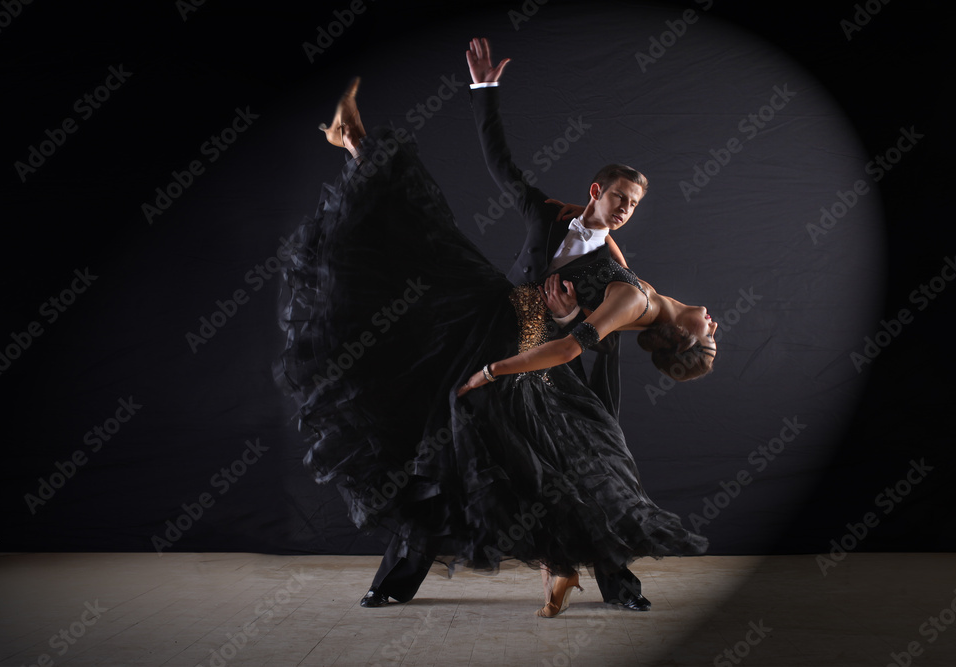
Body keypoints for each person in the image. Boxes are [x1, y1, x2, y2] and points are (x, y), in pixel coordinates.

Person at [277, 60, 712, 618]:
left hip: (534, 356)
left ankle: (616, 585)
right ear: (596, 191)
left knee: (581, 466)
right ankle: (396, 581)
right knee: (441, 446)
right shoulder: (547, 212)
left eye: (634, 205)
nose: (626, 210)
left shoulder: (617, 263)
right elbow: (500, 163)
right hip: (482, 325)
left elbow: (600, 327)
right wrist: (484, 90)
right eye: (620, 198)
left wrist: (563, 318)